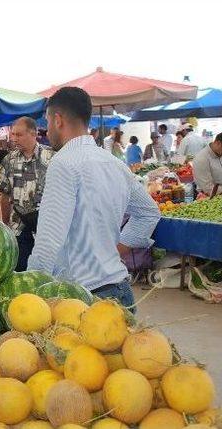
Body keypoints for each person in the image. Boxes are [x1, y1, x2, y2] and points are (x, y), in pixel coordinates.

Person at [28, 87, 160, 307]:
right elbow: (149, 213)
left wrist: (30, 287)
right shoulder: (115, 164)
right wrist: (117, 249)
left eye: (47, 122)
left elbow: (48, 240)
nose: (47, 130)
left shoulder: (64, 163)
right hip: (120, 290)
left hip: (83, 299)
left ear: (58, 120)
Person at [0, 116, 54, 271]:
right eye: (13, 134)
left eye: (19, 135)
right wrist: (4, 225)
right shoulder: (9, 160)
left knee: (45, 273)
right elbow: (4, 195)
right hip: (18, 228)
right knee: (21, 272)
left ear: (34, 133)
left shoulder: (52, 157)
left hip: (47, 229)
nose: (15, 139)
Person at [192, 132, 222, 196]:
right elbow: (208, 189)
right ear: (218, 143)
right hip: (210, 198)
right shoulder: (201, 159)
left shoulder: (219, 153)